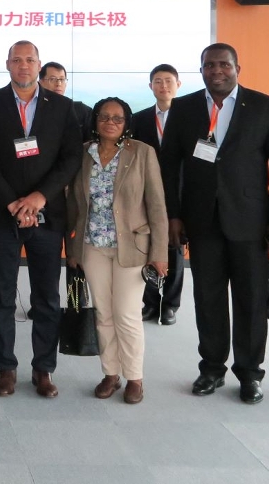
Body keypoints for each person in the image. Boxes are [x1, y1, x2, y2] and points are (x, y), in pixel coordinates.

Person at [159, 43, 269, 404]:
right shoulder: (184, 108)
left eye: (224, 64)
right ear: (201, 70)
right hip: (201, 220)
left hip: (251, 222)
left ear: (237, 68)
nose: (217, 71)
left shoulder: (265, 107)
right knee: (208, 298)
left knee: (251, 299)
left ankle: (250, 373)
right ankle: (211, 368)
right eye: (209, 65)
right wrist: (173, 214)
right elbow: (169, 166)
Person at [0, 41, 82, 398]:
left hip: (47, 215)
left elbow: (70, 158)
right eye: (16, 60)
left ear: (38, 64)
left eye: (29, 60)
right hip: (1, 213)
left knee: (46, 296)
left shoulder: (62, 107)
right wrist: (12, 203)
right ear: (7, 64)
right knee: (1, 294)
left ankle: (43, 369)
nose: (23, 65)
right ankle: (5, 367)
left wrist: (38, 198)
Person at [66, 97, 169, 404]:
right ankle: (111, 374)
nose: (110, 122)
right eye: (104, 117)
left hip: (132, 248)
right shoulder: (83, 153)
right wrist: (72, 248)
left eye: (117, 118)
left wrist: (159, 253)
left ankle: (134, 377)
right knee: (103, 313)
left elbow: (157, 205)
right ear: (95, 120)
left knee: (126, 314)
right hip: (92, 246)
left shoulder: (142, 152)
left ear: (126, 123)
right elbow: (73, 204)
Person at [131, 63, 185, 325]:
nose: (163, 86)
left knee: (175, 247)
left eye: (168, 81)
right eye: (158, 81)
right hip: (146, 191)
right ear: (150, 86)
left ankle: (171, 304)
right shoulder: (139, 119)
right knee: (146, 245)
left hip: (179, 191)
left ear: (178, 85)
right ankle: (150, 302)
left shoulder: (188, 117)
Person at [38, 62, 93, 141]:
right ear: (40, 83)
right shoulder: (33, 111)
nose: (58, 84)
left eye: (62, 79)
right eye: (52, 79)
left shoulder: (82, 111)